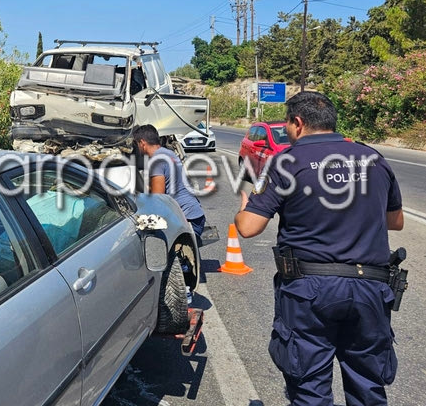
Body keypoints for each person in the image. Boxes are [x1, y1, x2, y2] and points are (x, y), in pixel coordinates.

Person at [235, 91, 404, 406]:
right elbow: (395, 222)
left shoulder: (286, 162)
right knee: (369, 387)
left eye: (287, 124)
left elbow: (248, 227)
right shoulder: (374, 159)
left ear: (297, 123)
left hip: (309, 291)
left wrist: (244, 207)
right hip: (371, 286)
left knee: (310, 388)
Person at [132, 124, 206, 240]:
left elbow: (158, 198)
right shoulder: (168, 153)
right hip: (196, 215)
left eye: (136, 144)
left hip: (187, 220)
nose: (137, 147)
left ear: (142, 143)